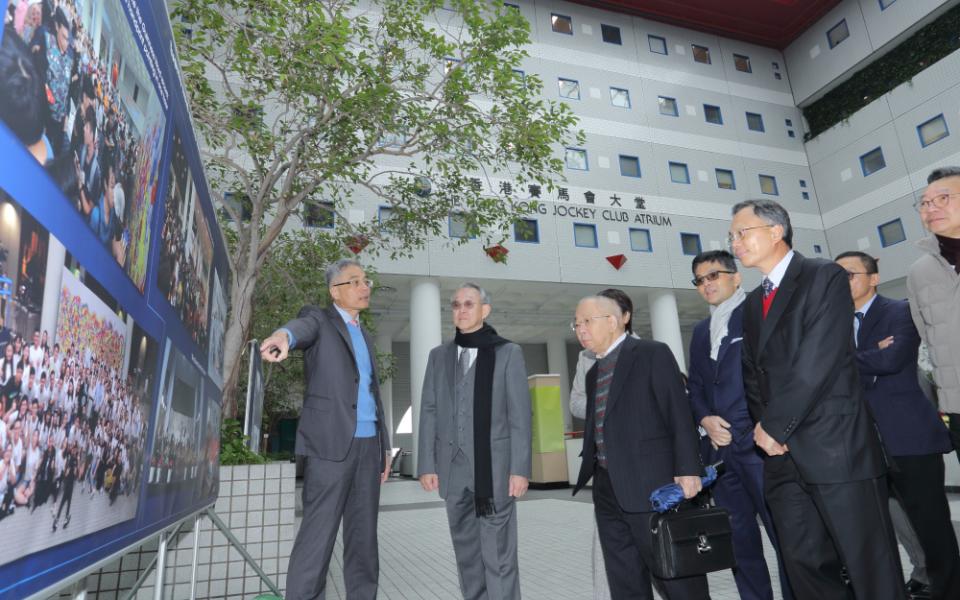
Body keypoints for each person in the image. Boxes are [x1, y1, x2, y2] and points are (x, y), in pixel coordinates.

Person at [730, 199, 905, 599]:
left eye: (743, 232)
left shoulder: (823, 275)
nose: (736, 243)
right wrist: (767, 430)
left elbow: (818, 360)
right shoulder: (754, 302)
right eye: (732, 237)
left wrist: (775, 425)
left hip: (835, 447)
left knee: (868, 564)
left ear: (776, 232)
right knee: (804, 563)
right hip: (780, 455)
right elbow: (753, 376)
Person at [260, 258, 391, 600]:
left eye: (366, 281)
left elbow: (373, 396)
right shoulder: (319, 318)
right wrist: (282, 336)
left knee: (364, 542)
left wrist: (384, 449)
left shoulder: (365, 333)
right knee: (317, 539)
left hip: (368, 448)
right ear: (335, 291)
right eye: (355, 282)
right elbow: (299, 328)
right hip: (330, 448)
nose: (365, 287)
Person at [836, 250, 959, 600]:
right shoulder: (833, 324)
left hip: (910, 439)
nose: (840, 282)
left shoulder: (901, 311)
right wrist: (866, 356)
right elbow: (827, 370)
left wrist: (849, 362)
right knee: (878, 529)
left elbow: (891, 359)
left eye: (848, 274)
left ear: (873, 278)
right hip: (860, 444)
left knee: (930, 526)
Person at [572, 295, 709, 599]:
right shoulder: (594, 372)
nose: (580, 329)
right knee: (625, 578)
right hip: (608, 488)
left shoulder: (651, 353)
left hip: (653, 485)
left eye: (587, 321)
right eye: (576, 323)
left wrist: (688, 469)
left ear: (612, 321)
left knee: (677, 577)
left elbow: (678, 412)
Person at [686, 250, 792, 600]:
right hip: (721, 453)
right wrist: (704, 418)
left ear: (736, 277)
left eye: (713, 275)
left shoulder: (758, 314)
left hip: (761, 446)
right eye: (700, 280)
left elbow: (778, 374)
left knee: (785, 536)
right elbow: (698, 385)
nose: (707, 284)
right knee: (740, 541)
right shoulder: (702, 331)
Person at [417, 282, 531, 600]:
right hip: (454, 474)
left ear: (485, 310)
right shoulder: (438, 356)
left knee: (499, 557)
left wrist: (520, 469)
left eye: (469, 304)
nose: (462, 310)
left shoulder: (508, 353)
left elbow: (520, 416)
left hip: (495, 473)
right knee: (467, 556)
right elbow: (428, 410)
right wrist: (426, 463)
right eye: (456, 305)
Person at [569, 288, 635, 600]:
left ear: (621, 318)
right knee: (607, 542)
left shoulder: (646, 352)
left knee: (653, 543)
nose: (583, 329)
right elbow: (576, 404)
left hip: (642, 464)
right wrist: (608, 403)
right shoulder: (586, 359)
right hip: (604, 462)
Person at [906, 167, 960, 464]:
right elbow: (928, 337)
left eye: (943, 198)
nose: (931, 208)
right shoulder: (919, 272)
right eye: (925, 203)